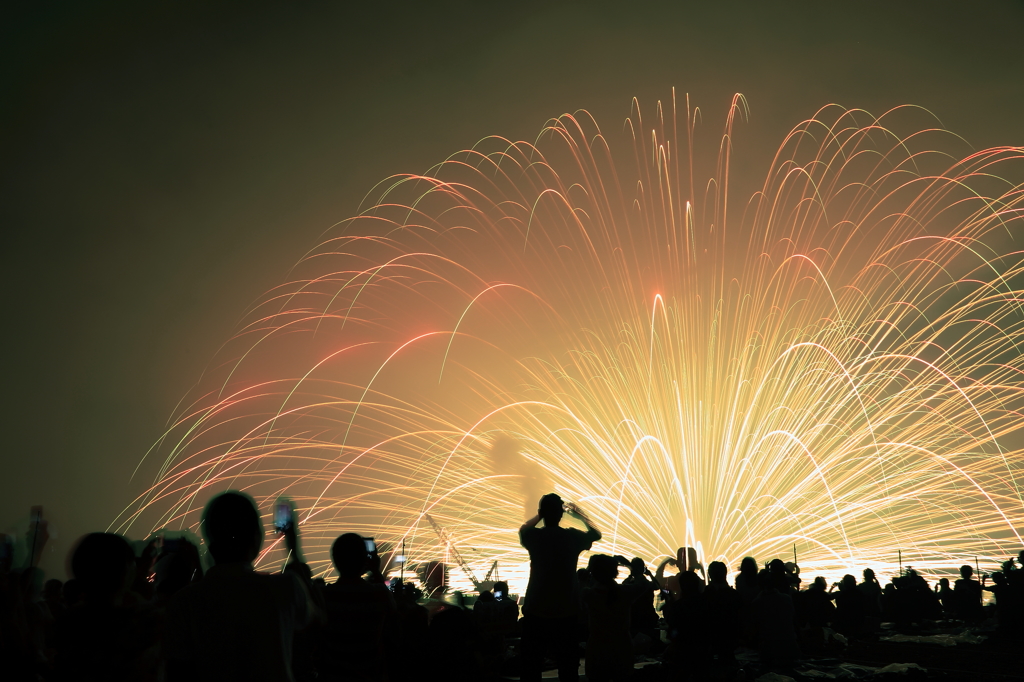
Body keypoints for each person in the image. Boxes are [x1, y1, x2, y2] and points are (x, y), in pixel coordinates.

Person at [163, 491, 315, 682]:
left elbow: (177, 671)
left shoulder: (183, 602)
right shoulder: (285, 588)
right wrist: (294, 550)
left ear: (210, 540)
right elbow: (317, 619)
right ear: (255, 538)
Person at [518, 493, 602, 682]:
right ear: (561, 514)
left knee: (531, 666)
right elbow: (596, 534)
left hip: (536, 608)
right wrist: (579, 514)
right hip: (566, 610)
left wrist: (540, 515)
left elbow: (524, 528)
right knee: (568, 667)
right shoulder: (571, 537)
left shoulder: (534, 537)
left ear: (542, 512)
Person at [317, 533, 396, 682]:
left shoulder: (324, 596)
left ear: (335, 560)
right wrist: (376, 571)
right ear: (364, 560)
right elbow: (394, 615)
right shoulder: (379, 594)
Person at [581, 554, 657, 682]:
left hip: (597, 647)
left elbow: (581, 581)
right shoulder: (625, 593)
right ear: (615, 572)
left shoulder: (588, 594)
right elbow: (644, 584)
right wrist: (632, 567)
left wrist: (589, 570)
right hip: (621, 646)